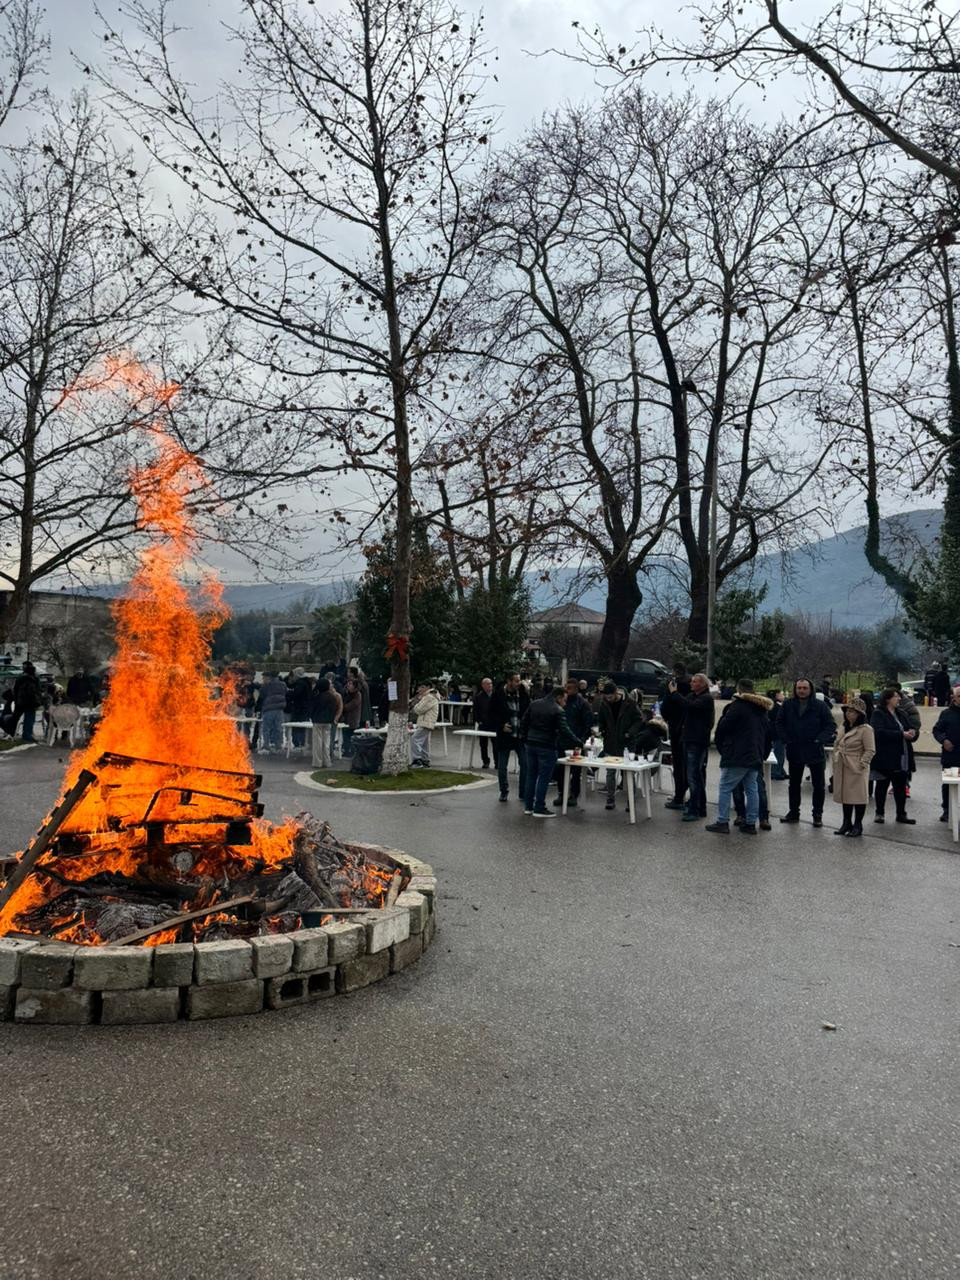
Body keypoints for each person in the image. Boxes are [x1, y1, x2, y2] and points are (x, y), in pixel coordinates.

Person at [705, 680, 773, 834]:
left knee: (725, 787)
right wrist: (763, 753)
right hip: (755, 754)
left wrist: (723, 747)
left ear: (739, 690)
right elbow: (768, 734)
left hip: (737, 753)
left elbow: (723, 727)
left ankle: (722, 821)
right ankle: (750, 823)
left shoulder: (738, 706)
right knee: (752, 789)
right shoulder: (762, 709)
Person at [776, 677, 837, 826]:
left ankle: (817, 815)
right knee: (794, 784)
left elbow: (830, 725)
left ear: (810, 690)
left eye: (805, 688)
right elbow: (779, 723)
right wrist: (786, 740)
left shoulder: (820, 706)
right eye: (799, 688)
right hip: (794, 748)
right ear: (795, 690)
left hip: (814, 750)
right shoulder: (788, 705)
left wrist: (819, 740)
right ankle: (793, 812)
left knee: (818, 785)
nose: (802, 691)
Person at [521, 686, 582, 817]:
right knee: (544, 777)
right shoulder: (558, 710)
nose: (565, 703)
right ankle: (539, 808)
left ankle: (528, 807)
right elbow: (565, 730)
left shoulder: (534, 704)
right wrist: (578, 742)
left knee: (531, 776)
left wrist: (526, 739)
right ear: (558, 697)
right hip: (547, 746)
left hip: (531, 744)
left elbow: (524, 722)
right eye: (564, 700)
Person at [870, 687, 917, 824]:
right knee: (882, 785)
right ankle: (879, 813)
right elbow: (878, 733)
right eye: (896, 696)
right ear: (888, 699)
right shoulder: (878, 714)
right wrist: (901, 734)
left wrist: (913, 733)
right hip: (885, 756)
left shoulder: (901, 713)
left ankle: (901, 814)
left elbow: (910, 727)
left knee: (900, 786)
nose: (899, 699)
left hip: (902, 756)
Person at [597, 681, 645, 812]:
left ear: (616, 693)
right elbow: (601, 720)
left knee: (629, 773)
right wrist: (601, 729)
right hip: (610, 742)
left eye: (610, 696)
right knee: (610, 772)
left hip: (627, 742)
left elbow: (639, 720)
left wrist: (630, 733)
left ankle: (631, 802)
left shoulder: (629, 703)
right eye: (606, 697)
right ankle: (610, 799)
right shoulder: (604, 704)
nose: (608, 699)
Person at [831, 697, 875, 837]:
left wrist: (862, 763)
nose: (849, 714)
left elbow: (870, 749)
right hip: (842, 765)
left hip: (856, 766)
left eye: (852, 712)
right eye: (847, 711)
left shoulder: (866, 729)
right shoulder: (844, 727)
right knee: (846, 796)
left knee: (858, 797)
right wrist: (836, 757)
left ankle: (858, 824)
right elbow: (837, 743)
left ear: (860, 714)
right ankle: (846, 822)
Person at [676, 673, 715, 822]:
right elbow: (683, 704)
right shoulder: (692, 696)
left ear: (703, 684)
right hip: (688, 739)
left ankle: (696, 809)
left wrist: (675, 693)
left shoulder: (706, 699)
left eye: (695, 682)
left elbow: (689, 706)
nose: (691, 684)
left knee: (694, 776)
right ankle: (698, 806)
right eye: (691, 681)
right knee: (693, 775)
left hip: (697, 741)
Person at [552, 677, 594, 808]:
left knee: (575, 771)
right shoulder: (561, 701)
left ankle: (574, 795)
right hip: (561, 741)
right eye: (566, 687)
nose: (566, 690)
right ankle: (561, 793)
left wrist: (581, 740)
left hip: (576, 741)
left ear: (576, 689)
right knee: (560, 769)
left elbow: (588, 724)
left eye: (569, 688)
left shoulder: (582, 704)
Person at [490, 673, 529, 801]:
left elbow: (528, 711)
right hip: (505, 735)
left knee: (525, 764)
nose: (519, 683)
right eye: (516, 681)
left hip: (520, 735)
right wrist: (501, 725)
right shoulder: (498, 694)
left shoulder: (523, 693)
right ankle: (504, 790)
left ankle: (523, 792)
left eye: (519, 681)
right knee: (502, 766)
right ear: (509, 681)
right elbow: (490, 713)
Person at [660, 665, 691, 810]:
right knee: (690, 766)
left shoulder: (673, 687)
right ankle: (691, 795)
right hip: (690, 730)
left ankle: (679, 797)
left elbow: (666, 706)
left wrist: (666, 717)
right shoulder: (692, 688)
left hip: (676, 727)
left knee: (678, 764)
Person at [932, 685, 960, 823]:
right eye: (959, 696)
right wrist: (944, 740)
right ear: (954, 698)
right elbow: (936, 730)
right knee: (949, 785)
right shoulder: (946, 714)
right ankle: (947, 810)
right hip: (951, 756)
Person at [309, 677, 342, 768]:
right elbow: (334, 709)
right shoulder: (332, 697)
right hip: (328, 722)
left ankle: (317, 762)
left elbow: (312, 709)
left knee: (317, 743)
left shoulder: (317, 696)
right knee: (326, 743)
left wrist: (313, 717)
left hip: (318, 721)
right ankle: (327, 761)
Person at [410, 682, 440, 767]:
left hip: (426, 722)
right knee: (424, 743)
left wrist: (415, 705)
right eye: (419, 687)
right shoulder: (427, 697)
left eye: (422, 687)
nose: (420, 689)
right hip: (425, 722)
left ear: (428, 687)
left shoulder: (429, 697)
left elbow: (419, 709)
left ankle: (417, 760)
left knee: (414, 739)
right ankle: (425, 760)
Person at [12, 661, 43, 744]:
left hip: (20, 702)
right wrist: (39, 701)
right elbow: (38, 691)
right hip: (31, 703)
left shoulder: (20, 677)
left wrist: (16, 700)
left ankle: (12, 734)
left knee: (16, 718)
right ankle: (27, 735)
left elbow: (15, 689)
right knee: (29, 720)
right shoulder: (35, 678)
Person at [259, 669, 288, 754]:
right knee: (278, 728)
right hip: (280, 708)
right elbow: (285, 693)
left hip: (268, 708)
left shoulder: (266, 685)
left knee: (266, 728)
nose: (263, 679)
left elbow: (261, 695)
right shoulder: (283, 684)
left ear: (269, 677)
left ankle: (266, 746)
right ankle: (278, 746)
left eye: (264, 678)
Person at [473, 677, 496, 768]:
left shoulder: (496, 695)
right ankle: (485, 761)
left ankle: (497, 761)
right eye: (487, 684)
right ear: (483, 685)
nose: (490, 685)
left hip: (494, 724)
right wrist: (479, 721)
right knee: (483, 744)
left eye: (491, 683)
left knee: (496, 744)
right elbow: (476, 711)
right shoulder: (478, 697)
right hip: (483, 723)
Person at [767, 689, 788, 779]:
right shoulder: (775, 706)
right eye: (781, 694)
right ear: (776, 695)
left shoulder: (776, 705)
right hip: (777, 732)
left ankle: (780, 771)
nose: (783, 696)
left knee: (780, 752)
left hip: (778, 732)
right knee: (778, 752)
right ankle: (776, 772)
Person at [340, 677, 362, 758]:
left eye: (350, 684)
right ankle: (346, 750)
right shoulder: (346, 693)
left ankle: (351, 751)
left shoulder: (357, 694)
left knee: (351, 736)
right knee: (345, 736)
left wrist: (342, 706)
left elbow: (351, 705)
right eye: (347, 684)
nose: (348, 685)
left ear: (354, 686)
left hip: (352, 719)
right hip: (345, 719)